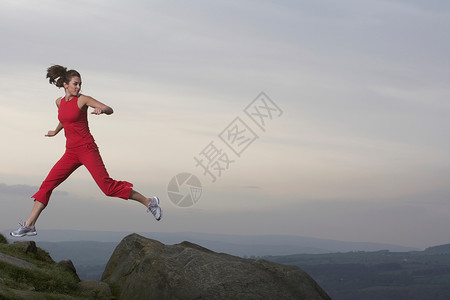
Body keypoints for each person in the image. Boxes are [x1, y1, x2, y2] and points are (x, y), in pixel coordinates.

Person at [10, 65, 162, 237]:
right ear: (65, 85)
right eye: (75, 84)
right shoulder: (59, 102)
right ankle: (30, 225)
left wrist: (101, 110)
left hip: (87, 149)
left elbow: (109, 108)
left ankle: (149, 202)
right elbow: (66, 119)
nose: (78, 87)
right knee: (47, 185)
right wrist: (56, 131)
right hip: (71, 152)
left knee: (108, 188)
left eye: (80, 84)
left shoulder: (83, 100)